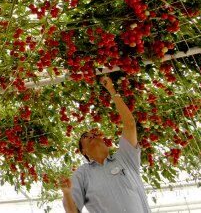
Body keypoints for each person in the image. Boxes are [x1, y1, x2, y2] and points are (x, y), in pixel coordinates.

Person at [61, 75, 151, 212]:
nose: (91, 135)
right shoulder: (82, 174)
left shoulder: (124, 158)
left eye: (94, 134)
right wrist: (67, 193)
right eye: (85, 136)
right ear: (83, 151)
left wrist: (111, 90)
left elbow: (130, 124)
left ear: (105, 141)